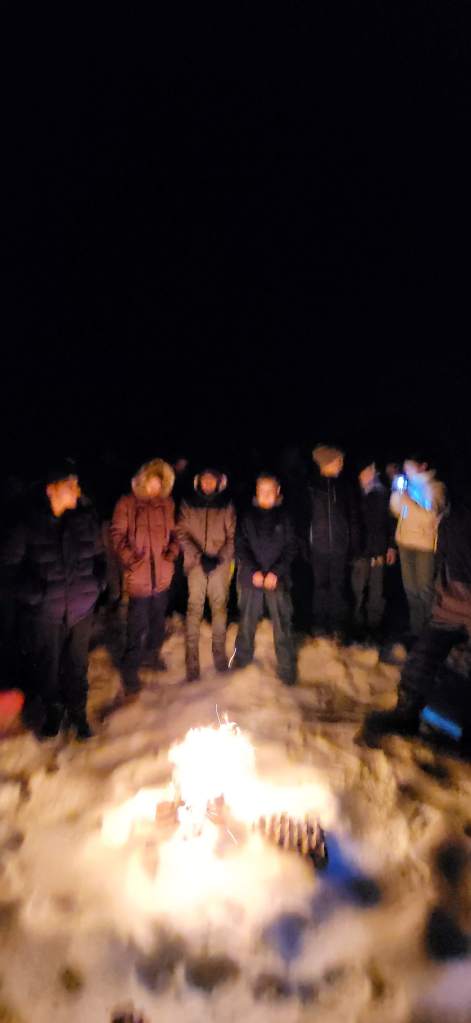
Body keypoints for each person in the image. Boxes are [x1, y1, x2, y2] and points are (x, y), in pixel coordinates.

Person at [0, 462, 106, 739]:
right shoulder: (28, 524)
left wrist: (97, 584)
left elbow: (100, 557)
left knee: (77, 665)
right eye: (70, 485)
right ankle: (54, 711)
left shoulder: (86, 520)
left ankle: (78, 713)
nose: (77, 491)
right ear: (51, 489)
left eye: (77, 485)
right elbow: (7, 569)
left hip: (81, 610)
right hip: (46, 613)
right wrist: (34, 593)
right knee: (48, 666)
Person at [361, 487, 471, 743]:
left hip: (460, 600)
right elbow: (444, 558)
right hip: (450, 605)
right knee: (421, 659)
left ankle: (452, 727)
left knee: (458, 668)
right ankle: (407, 712)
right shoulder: (454, 518)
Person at [111, 458, 179, 693]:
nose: (155, 487)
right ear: (142, 480)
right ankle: (130, 668)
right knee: (137, 625)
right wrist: (130, 559)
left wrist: (172, 552)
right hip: (139, 577)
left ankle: (152, 655)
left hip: (162, 576)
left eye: (159, 483)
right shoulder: (127, 503)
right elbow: (117, 534)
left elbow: (176, 533)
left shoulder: (167, 504)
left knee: (158, 622)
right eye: (151, 481)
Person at [231, 474, 297, 685]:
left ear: (277, 491)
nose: (266, 495)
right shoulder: (247, 517)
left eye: (270, 491)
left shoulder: (285, 517)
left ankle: (287, 669)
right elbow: (240, 545)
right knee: (246, 622)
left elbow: (291, 547)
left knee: (282, 623)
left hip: (278, 580)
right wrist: (253, 571)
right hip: (252, 579)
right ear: (256, 492)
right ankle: (241, 662)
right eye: (262, 491)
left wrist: (276, 572)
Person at [177, 468, 236, 681]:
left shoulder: (226, 504)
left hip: (219, 566)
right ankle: (192, 664)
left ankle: (219, 656)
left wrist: (220, 557)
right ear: (198, 481)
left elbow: (233, 536)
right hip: (196, 565)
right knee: (194, 609)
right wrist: (199, 556)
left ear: (219, 482)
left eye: (212, 480)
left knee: (219, 608)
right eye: (205, 479)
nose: (208, 483)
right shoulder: (188, 503)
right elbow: (181, 532)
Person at [390, 453, 446, 639]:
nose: (406, 471)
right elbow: (397, 512)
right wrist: (397, 495)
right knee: (410, 589)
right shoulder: (408, 487)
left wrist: (409, 501)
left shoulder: (435, 487)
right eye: (405, 467)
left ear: (423, 466)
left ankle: (431, 630)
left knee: (424, 589)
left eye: (410, 467)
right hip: (405, 543)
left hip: (424, 545)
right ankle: (416, 630)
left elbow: (430, 518)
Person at [309, 444, 361, 639]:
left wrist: (354, 544)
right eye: (338, 461)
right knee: (320, 587)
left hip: (340, 547)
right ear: (327, 463)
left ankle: (337, 627)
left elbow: (353, 517)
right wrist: (305, 546)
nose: (341, 464)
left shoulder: (345, 487)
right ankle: (319, 625)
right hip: (317, 547)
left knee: (338, 587)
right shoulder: (312, 487)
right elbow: (304, 518)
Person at [352, 458, 396, 639]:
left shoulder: (382, 494)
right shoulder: (354, 496)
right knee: (358, 589)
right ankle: (356, 625)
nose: (371, 473)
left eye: (372, 470)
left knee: (377, 590)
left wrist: (391, 546)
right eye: (366, 470)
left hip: (378, 550)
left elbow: (390, 522)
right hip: (360, 552)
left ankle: (374, 626)